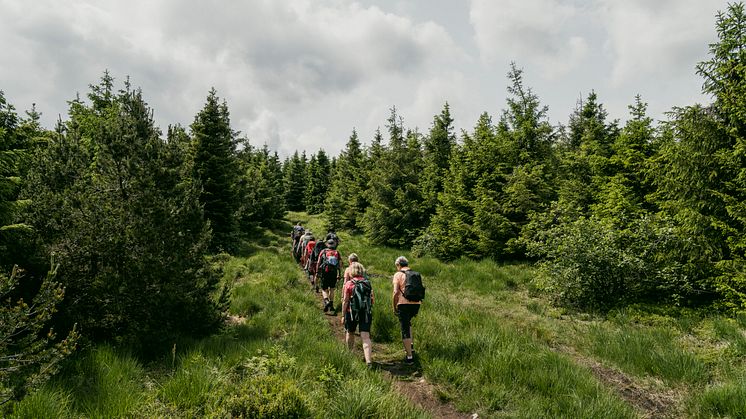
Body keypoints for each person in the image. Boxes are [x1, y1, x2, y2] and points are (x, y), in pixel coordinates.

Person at [341, 261, 374, 367]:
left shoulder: (349, 284)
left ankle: (349, 354)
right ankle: (368, 361)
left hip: (351, 312)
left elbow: (345, 301)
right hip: (365, 312)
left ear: (351, 272)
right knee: (365, 336)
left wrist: (343, 315)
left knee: (350, 332)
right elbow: (372, 299)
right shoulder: (367, 283)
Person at [392, 256, 421, 364]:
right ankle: (411, 346)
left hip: (403, 304)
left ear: (398, 265)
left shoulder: (398, 274)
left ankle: (409, 357)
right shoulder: (415, 274)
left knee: (404, 329)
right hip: (416, 304)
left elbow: (395, 292)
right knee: (408, 323)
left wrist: (394, 307)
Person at [316, 239, 343, 314]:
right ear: (334, 245)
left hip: (325, 272)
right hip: (333, 272)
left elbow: (318, 262)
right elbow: (340, 265)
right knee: (332, 288)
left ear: (327, 244)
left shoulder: (323, 251)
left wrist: (317, 272)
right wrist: (339, 274)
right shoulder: (337, 252)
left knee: (324, 288)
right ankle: (331, 305)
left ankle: (326, 300)